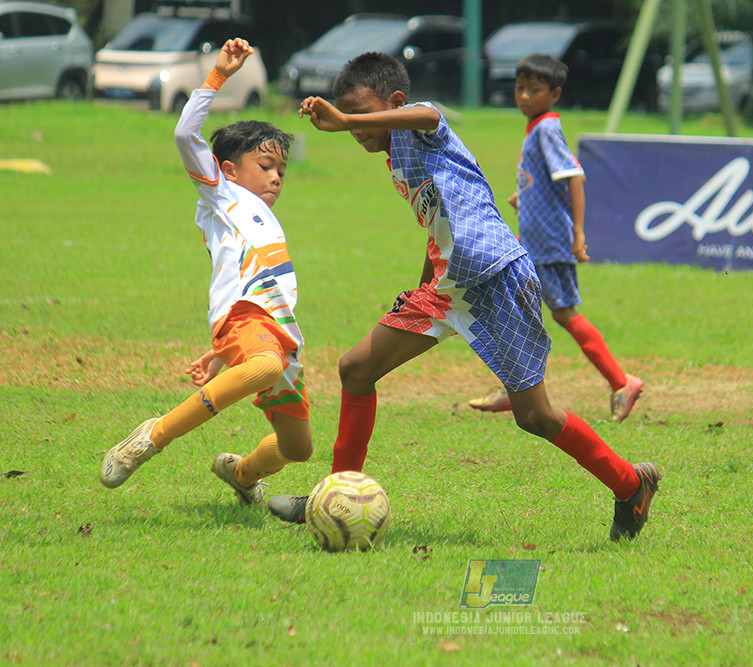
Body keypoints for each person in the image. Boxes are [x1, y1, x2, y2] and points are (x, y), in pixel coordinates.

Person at [270, 51, 658, 540]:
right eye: (349, 119)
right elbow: (439, 226)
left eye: (361, 115)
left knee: (535, 416)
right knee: (356, 369)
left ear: (394, 101)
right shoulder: (397, 159)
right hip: (449, 286)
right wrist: (423, 285)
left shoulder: (423, 128)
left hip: (497, 276)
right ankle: (336, 495)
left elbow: (429, 112)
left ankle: (631, 485)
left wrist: (344, 118)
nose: (354, 129)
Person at [99, 38, 313, 503]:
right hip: (247, 320)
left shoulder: (260, 215)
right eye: (266, 165)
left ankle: (243, 475)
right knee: (264, 365)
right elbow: (184, 135)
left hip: (276, 330)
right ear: (229, 170)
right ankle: (154, 434)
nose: (276, 176)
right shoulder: (222, 193)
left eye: (281, 169)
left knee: (298, 448)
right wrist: (218, 76)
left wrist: (220, 355)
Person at [466, 53, 643, 422]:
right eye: (520, 88)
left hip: (548, 243)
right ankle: (515, 388)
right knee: (514, 306)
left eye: (534, 89)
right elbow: (548, 181)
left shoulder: (546, 129)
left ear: (555, 94)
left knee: (559, 313)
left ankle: (621, 382)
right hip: (534, 239)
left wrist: (577, 234)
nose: (524, 96)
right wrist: (525, 198)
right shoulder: (537, 128)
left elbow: (574, 177)